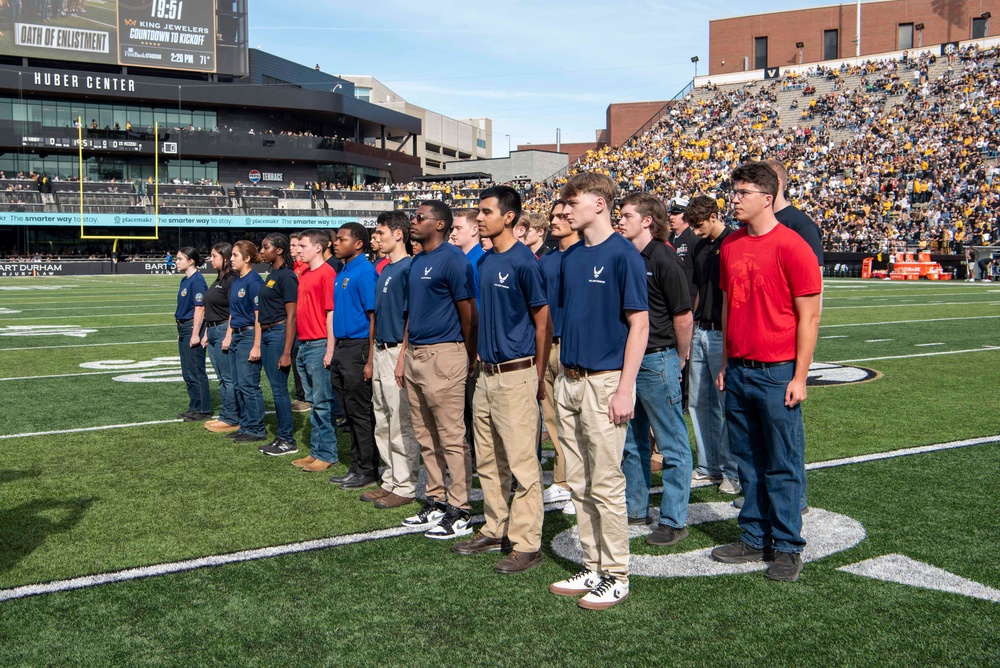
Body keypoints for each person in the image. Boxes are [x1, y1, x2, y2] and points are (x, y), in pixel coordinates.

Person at [710, 162, 822, 583]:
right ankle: (755, 537)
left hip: (777, 373)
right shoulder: (732, 245)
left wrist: (800, 375)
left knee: (783, 462)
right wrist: (724, 363)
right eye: (733, 191)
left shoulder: (793, 246)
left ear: (767, 198)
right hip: (738, 369)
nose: (733, 199)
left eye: (742, 192)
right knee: (748, 461)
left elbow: (809, 318)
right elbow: (726, 305)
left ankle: (788, 546)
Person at [548, 172, 648, 610]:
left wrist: (625, 389)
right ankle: (593, 566)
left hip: (604, 381)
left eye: (574, 200)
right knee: (580, 482)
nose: (567, 209)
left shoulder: (623, 255)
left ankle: (617, 573)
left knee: (606, 482)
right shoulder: (569, 257)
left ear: (600, 205)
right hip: (569, 379)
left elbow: (639, 324)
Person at [453, 185, 550, 574]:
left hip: (516, 373)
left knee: (523, 463)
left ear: (508, 216)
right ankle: (496, 527)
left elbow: (542, 319)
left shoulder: (525, 261)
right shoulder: (484, 262)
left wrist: (539, 375)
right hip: (487, 374)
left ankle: (527, 543)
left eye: (486, 212)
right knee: (488, 458)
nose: (480, 218)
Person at [617, 192, 693, 542]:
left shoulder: (663, 257)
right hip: (632, 361)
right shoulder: (629, 255)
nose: (621, 220)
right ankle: (635, 508)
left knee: (672, 444)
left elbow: (682, 314)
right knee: (633, 443)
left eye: (628, 215)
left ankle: (674, 519)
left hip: (658, 358)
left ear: (647, 220)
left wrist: (679, 358)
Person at [401, 200, 478, 539]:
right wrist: (405, 354)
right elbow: (412, 313)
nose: (413, 222)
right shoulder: (418, 260)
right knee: (425, 435)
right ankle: (435, 498)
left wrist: (467, 355)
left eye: (420, 217)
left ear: (441, 225)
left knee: (451, 436)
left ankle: (460, 507)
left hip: (444, 354)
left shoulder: (454, 260)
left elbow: (469, 314)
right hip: (416, 355)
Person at [364, 211, 420, 509]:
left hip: (398, 349)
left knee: (400, 420)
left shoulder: (409, 268)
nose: (378, 238)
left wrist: (402, 358)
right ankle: (391, 479)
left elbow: (411, 316)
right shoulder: (386, 268)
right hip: (381, 349)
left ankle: (406, 484)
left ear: (399, 234)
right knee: (383, 418)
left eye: (381, 233)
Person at [684, 196, 739, 494]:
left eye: (699, 224)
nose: (695, 231)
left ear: (715, 216)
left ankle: (732, 471)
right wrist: (692, 327)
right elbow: (699, 290)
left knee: (725, 405)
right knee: (698, 402)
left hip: (721, 332)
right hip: (702, 329)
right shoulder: (701, 246)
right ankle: (708, 467)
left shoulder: (733, 242)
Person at [326, 223, 380, 490]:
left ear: (358, 244)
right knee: (348, 412)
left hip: (358, 347)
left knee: (360, 412)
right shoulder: (343, 272)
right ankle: (356, 465)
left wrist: (369, 358)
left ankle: (367, 468)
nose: (336, 243)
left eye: (342, 239)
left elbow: (373, 318)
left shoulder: (365, 273)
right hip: (343, 348)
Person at [290, 229, 339, 472]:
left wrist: (330, 348)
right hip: (305, 343)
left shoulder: (327, 274)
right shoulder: (306, 272)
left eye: (303, 245)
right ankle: (316, 451)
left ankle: (327, 453)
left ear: (318, 247)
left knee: (322, 403)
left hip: (319, 343)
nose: (298, 250)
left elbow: (331, 313)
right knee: (313, 401)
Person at [538, 200, 575, 508]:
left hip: (571, 346)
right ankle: (563, 480)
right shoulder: (547, 260)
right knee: (552, 419)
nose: (555, 221)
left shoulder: (586, 255)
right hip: (546, 345)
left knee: (577, 422)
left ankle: (578, 484)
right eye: (553, 216)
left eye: (563, 216)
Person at [257, 233, 299, 456]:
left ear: (279, 250)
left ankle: (287, 439)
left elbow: (292, 316)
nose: (262, 251)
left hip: (278, 333)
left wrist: (286, 351)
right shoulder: (273, 274)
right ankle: (282, 436)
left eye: (266, 247)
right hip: (267, 333)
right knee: (275, 388)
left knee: (279, 390)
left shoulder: (287, 277)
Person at [449, 208, 485, 457]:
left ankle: (475, 456)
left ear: (474, 230)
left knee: (474, 408)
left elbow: (479, 311)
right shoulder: (462, 260)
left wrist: (477, 349)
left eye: (458, 228)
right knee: (462, 407)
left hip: (475, 348)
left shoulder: (479, 261)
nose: (452, 233)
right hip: (462, 346)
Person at [226, 240, 267, 444]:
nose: (231, 259)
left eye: (235, 255)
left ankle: (257, 428)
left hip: (249, 336)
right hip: (236, 336)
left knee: (249, 384)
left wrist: (257, 345)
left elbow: (259, 316)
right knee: (238, 384)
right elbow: (233, 313)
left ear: (247, 258)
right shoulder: (237, 280)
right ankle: (245, 425)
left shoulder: (253, 282)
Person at [202, 242, 241, 434]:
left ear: (224, 258)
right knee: (221, 378)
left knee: (228, 378)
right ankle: (227, 413)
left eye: (214, 256)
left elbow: (233, 310)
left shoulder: (231, 280)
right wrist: (205, 334)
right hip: (213, 330)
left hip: (223, 329)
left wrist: (228, 335)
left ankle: (231, 416)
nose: (211, 259)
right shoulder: (219, 279)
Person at [174, 246, 211, 421]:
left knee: (196, 370)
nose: (176, 261)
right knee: (187, 372)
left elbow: (200, 308)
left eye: (180, 259)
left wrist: (195, 333)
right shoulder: (185, 280)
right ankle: (194, 406)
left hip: (191, 328)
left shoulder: (197, 281)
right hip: (183, 328)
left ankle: (203, 409)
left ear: (191, 261)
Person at [288, 232, 311, 413]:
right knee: (296, 358)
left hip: (303, 320)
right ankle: (301, 394)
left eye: (296, 245)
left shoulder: (306, 268)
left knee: (301, 358)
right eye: (292, 245)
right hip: (295, 319)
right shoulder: (294, 267)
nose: (293, 248)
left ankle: (305, 396)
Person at [667, 197, 697, 303]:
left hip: (687, 298)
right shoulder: (667, 239)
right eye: (671, 213)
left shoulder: (694, 240)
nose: (671, 217)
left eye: (676, 214)